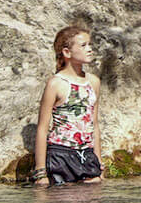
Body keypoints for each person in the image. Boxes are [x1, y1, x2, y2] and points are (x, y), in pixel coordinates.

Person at [32, 26, 103, 187]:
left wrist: (99, 163)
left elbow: (94, 124)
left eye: (90, 45)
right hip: (61, 154)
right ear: (67, 52)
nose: (90, 49)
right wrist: (40, 171)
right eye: (83, 45)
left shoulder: (93, 82)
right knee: (66, 202)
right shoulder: (55, 83)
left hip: (87, 154)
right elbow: (42, 128)